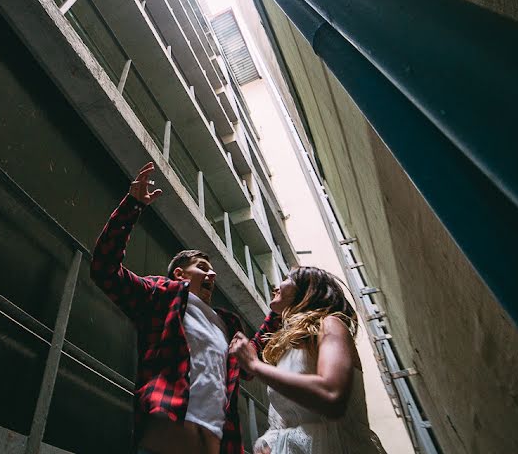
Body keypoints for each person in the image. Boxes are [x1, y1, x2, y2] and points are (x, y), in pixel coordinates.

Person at [91, 162, 280, 454]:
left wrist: (277, 314)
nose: (211, 275)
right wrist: (132, 207)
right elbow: (105, 270)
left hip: (220, 442)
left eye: (211, 271)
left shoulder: (227, 324)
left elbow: (249, 363)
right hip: (168, 433)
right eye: (202, 268)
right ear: (180, 274)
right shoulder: (161, 295)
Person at [227, 266, 387, 453]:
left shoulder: (330, 324)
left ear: (307, 290)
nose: (275, 287)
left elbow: (331, 394)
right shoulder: (286, 350)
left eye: (286, 278)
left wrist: (254, 365)